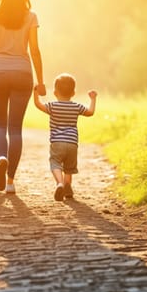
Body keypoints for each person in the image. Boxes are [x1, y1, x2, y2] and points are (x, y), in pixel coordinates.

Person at [0, 0, 47, 194]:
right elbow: (34, 50)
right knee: (15, 129)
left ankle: (1, 157)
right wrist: (41, 81)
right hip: (22, 73)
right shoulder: (31, 16)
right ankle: (10, 182)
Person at [32, 73, 97, 201]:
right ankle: (68, 186)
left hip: (57, 142)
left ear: (55, 92)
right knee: (69, 167)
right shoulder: (76, 106)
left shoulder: (52, 106)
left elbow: (38, 104)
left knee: (55, 163)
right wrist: (93, 99)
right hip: (72, 143)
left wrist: (35, 92)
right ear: (73, 93)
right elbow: (90, 112)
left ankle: (60, 183)